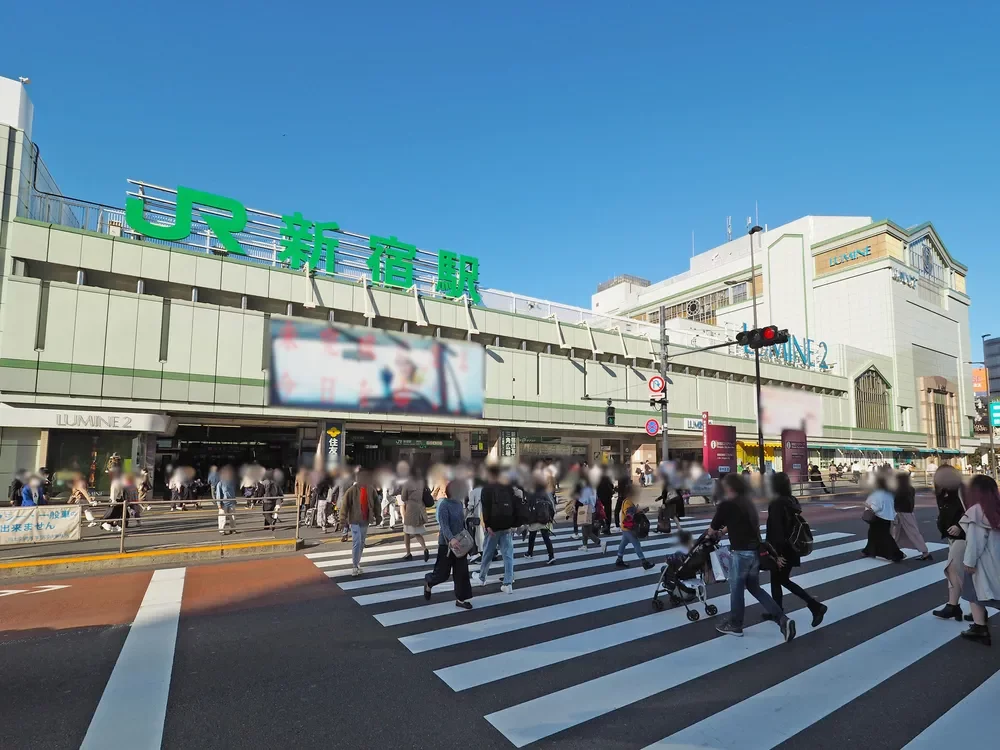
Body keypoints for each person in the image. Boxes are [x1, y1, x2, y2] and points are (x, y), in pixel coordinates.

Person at [709, 474, 795, 641]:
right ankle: (783, 619)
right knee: (755, 588)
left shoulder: (727, 504)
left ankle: (735, 624)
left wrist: (712, 533)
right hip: (755, 552)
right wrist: (725, 531)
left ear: (730, 487)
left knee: (736, 589)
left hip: (740, 554)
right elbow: (739, 522)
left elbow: (712, 528)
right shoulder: (747, 502)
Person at [765, 472, 827, 627]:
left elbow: (777, 531)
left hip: (781, 549)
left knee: (779, 580)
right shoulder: (791, 500)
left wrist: (776, 554)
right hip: (792, 547)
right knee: (779, 580)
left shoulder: (776, 504)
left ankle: (813, 605)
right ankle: (778, 610)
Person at [958, 474, 1000, 645]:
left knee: (973, 593)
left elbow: (975, 542)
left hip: (984, 562)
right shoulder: (996, 507)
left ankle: (979, 627)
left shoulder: (976, 511)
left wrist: (969, 562)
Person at [423, 481, 473, 610]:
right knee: (442, 574)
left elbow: (461, 523)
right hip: (446, 545)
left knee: (462, 572)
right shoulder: (443, 504)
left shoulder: (459, 503)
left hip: (460, 543)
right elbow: (444, 525)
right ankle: (429, 581)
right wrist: (451, 539)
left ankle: (461, 599)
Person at [932, 465, 968, 621]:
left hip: (964, 536)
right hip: (950, 536)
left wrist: (960, 525)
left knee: (952, 569)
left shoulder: (962, 490)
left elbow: (972, 510)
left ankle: (953, 606)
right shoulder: (941, 491)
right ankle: (976, 609)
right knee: (963, 572)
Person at [476, 465, 516, 593]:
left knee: (488, 552)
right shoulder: (508, 487)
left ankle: (482, 578)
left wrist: (487, 525)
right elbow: (514, 506)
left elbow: (485, 509)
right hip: (507, 525)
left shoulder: (486, 488)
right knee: (508, 554)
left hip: (493, 527)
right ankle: (508, 583)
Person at [338, 469, 380, 576]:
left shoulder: (370, 489)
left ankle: (357, 563)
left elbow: (377, 503)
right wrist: (342, 520)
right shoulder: (352, 490)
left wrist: (378, 516)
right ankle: (354, 566)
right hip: (354, 520)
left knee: (361, 542)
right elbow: (344, 505)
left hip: (365, 520)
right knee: (357, 541)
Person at [605, 485, 655, 570]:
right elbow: (629, 513)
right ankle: (644, 562)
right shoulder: (627, 502)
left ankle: (619, 559)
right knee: (636, 544)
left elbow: (631, 511)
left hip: (625, 527)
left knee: (623, 543)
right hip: (628, 528)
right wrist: (639, 511)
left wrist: (639, 510)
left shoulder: (628, 501)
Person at [862, 471, 904, 562]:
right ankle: (869, 550)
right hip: (887, 517)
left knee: (883, 536)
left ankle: (897, 554)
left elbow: (877, 507)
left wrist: (867, 505)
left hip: (879, 517)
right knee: (874, 534)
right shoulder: (888, 493)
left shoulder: (877, 494)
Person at [891, 471, 931, 560]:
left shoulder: (898, 490)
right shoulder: (910, 489)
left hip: (901, 513)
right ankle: (894, 551)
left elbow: (895, 502)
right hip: (908, 512)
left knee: (908, 533)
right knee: (900, 533)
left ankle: (925, 552)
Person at [400, 467, 430, 562]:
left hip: (410, 509)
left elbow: (403, 497)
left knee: (406, 532)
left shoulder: (407, 483)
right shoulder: (422, 482)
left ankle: (408, 553)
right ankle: (424, 548)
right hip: (420, 508)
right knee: (416, 531)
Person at [525, 474, 556, 564]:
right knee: (546, 537)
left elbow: (528, 506)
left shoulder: (531, 493)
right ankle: (551, 555)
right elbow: (551, 505)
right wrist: (551, 518)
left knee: (532, 536)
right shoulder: (545, 492)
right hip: (544, 518)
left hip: (534, 518)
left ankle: (530, 553)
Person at [577, 467, 603, 550]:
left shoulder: (586, 489)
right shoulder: (593, 488)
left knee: (588, 532)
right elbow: (596, 498)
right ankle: (584, 546)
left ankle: (601, 543)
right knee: (584, 529)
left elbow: (584, 501)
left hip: (586, 511)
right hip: (593, 511)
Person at [215, 465, 237, 535]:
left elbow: (233, 492)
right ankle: (222, 530)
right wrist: (219, 504)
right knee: (222, 518)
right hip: (223, 503)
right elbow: (218, 494)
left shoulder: (231, 483)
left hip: (231, 502)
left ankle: (233, 529)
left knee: (233, 517)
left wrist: (234, 500)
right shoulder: (220, 483)